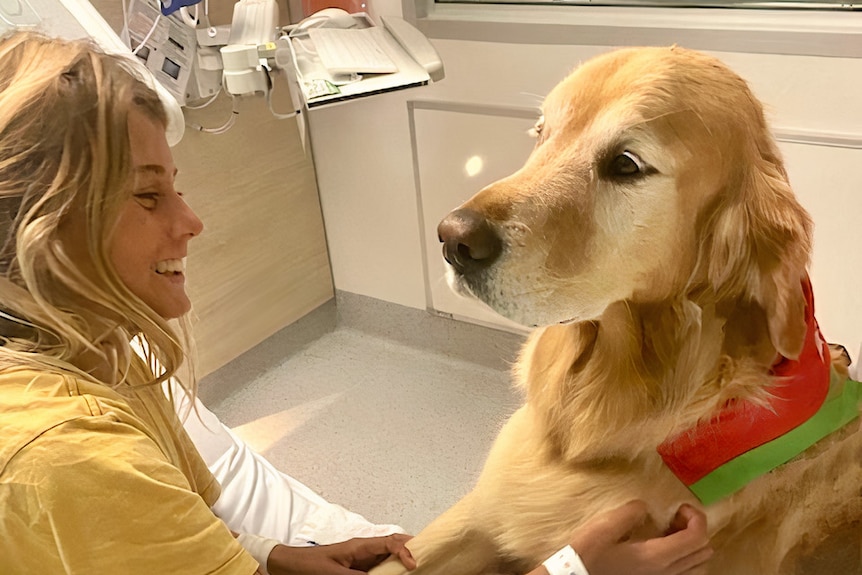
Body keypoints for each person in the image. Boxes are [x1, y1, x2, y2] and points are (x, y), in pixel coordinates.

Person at [0, 31, 712, 575]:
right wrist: (573, 570)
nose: (191, 222)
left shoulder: (106, 349)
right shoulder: (68, 456)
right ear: (44, 229)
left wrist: (270, 556)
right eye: (149, 194)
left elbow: (187, 516)